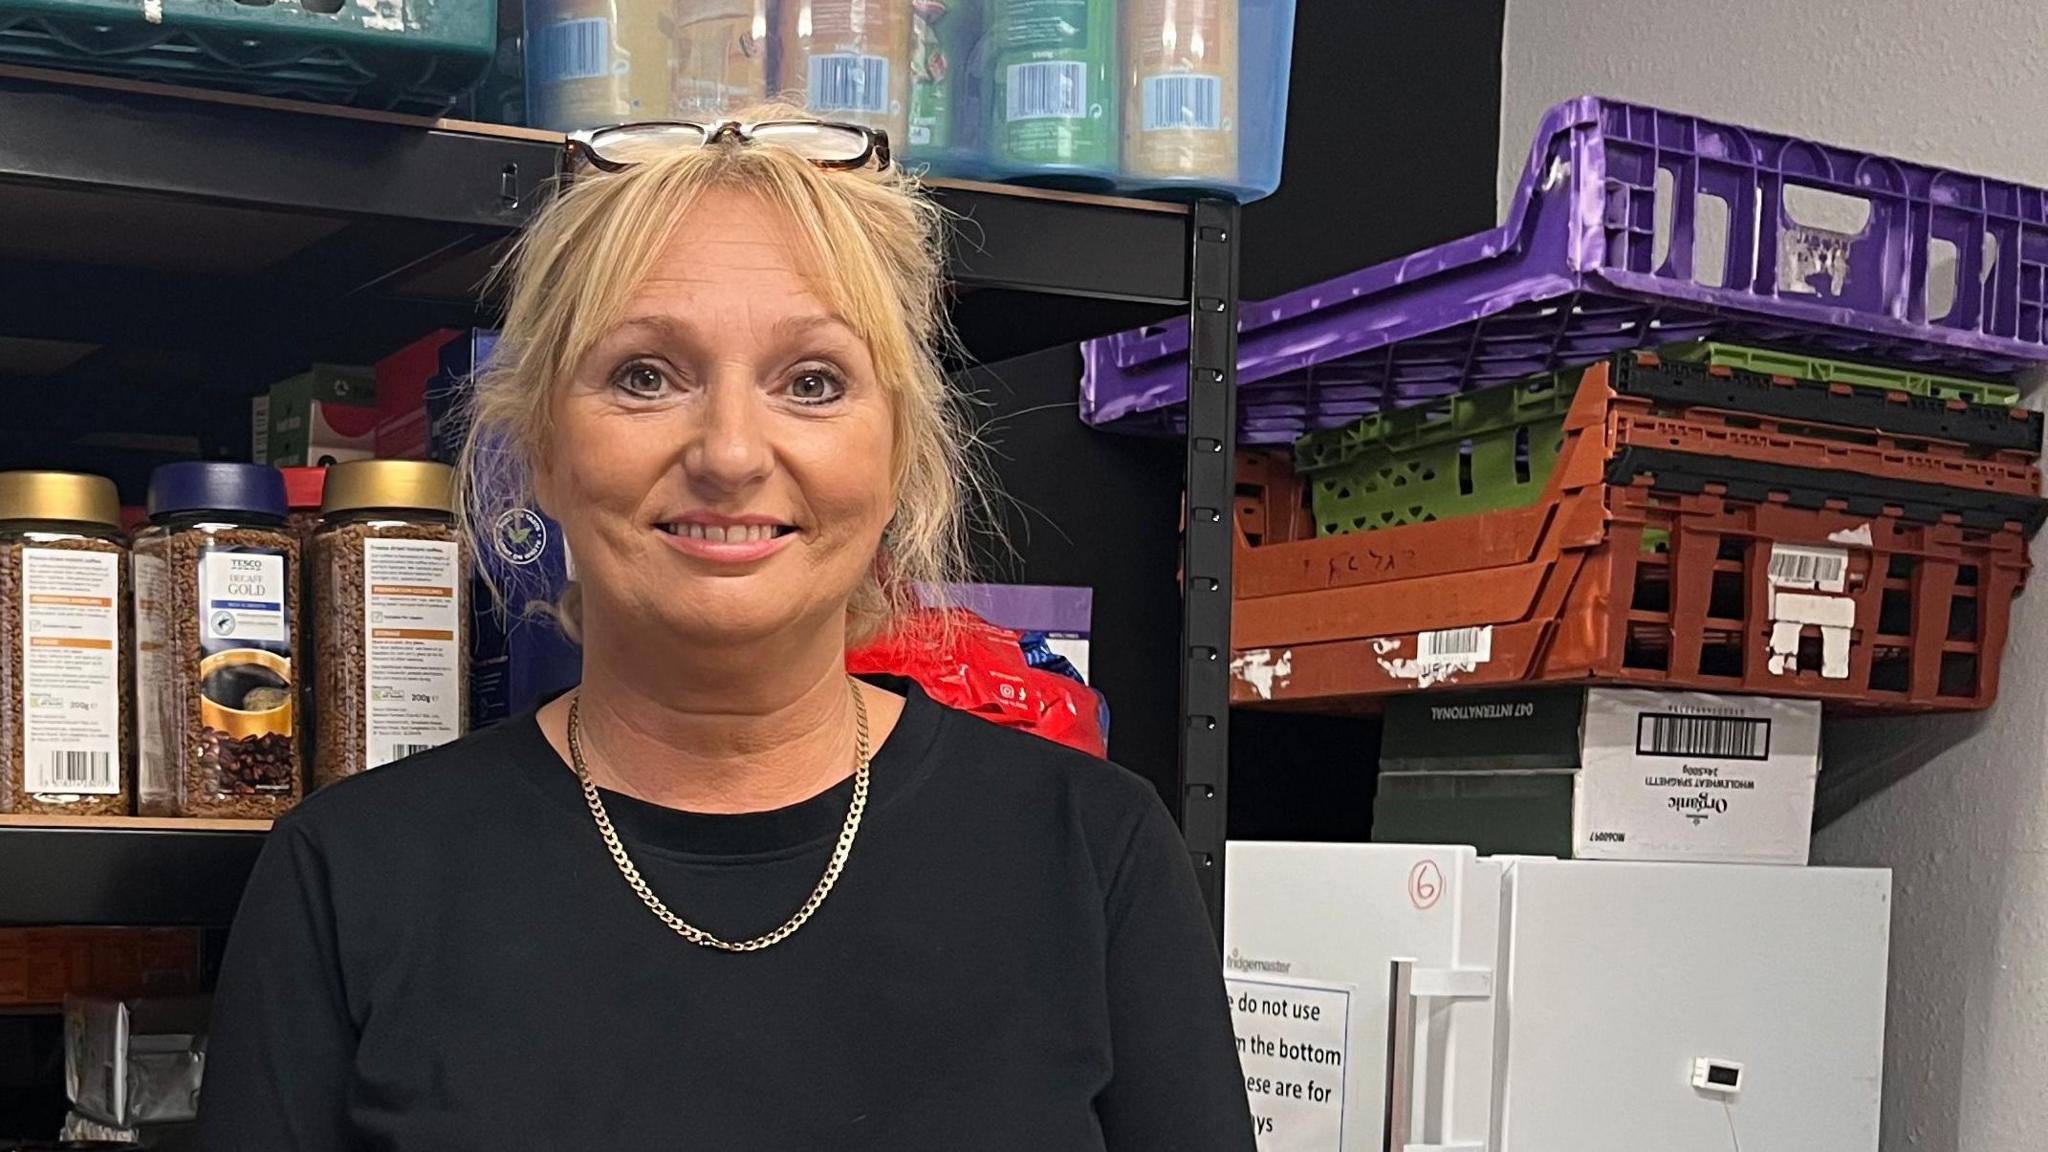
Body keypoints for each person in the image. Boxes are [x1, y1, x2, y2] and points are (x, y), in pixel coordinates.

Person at [199, 109, 1255, 1150]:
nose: (731, 453)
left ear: (894, 458)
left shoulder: (1094, 856)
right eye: (644, 376)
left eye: (811, 382)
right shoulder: (347, 879)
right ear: (545, 454)